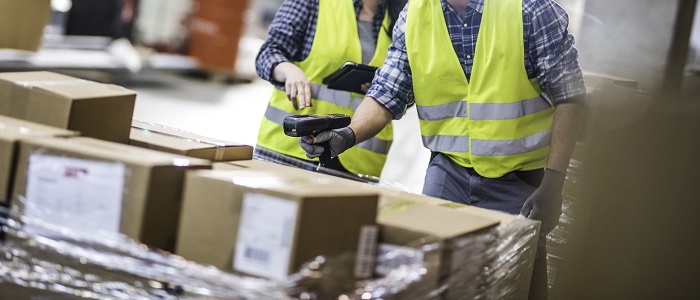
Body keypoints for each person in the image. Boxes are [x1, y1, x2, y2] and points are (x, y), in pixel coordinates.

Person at [300, 0, 586, 298]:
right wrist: (348, 134)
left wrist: (554, 180)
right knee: (434, 281)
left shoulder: (530, 9)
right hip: (447, 173)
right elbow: (387, 92)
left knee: (517, 284)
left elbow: (570, 96)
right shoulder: (415, 15)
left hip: (519, 181)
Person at [254, 0, 406, 179]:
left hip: (359, 161)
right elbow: (268, 52)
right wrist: (287, 69)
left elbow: (405, 90)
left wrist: (383, 90)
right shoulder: (314, 3)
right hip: (292, 149)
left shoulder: (402, 16)